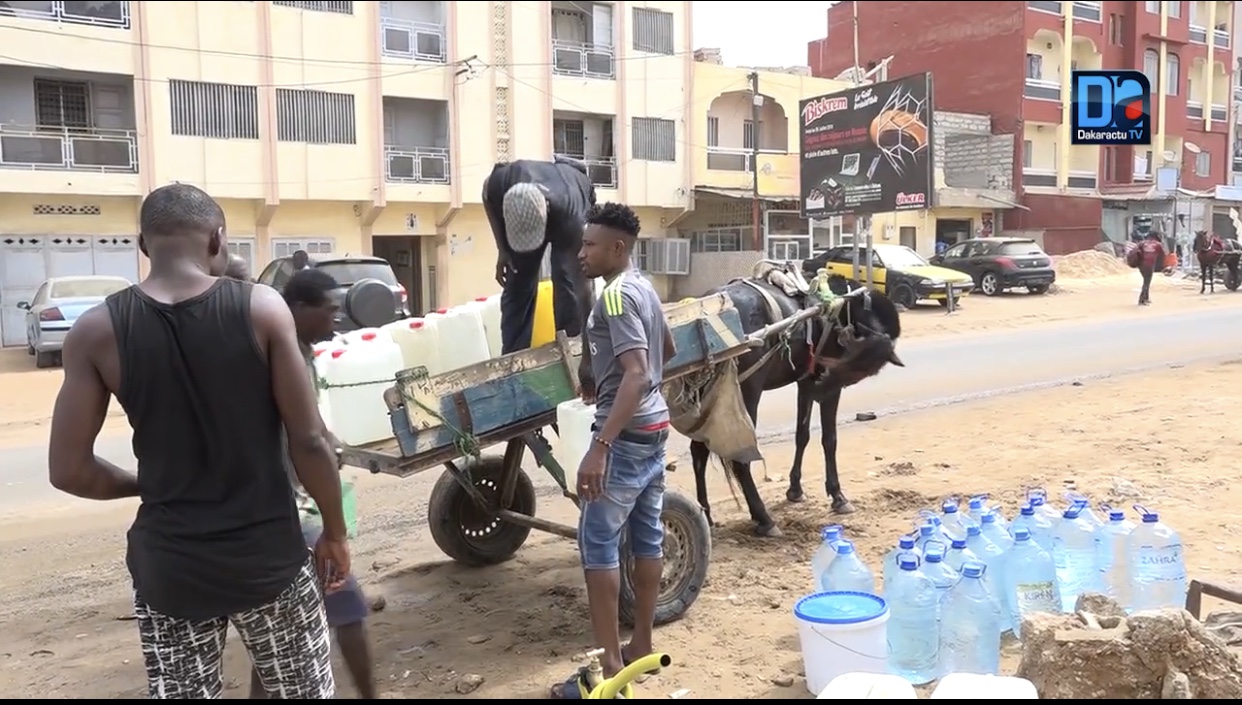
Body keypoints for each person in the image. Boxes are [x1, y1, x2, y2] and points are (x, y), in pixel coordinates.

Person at [47, 183, 349, 699]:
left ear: (143, 245)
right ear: (217, 239)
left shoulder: (96, 331)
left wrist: (147, 485)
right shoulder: (263, 310)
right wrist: (335, 533)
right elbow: (310, 440)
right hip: (269, 560)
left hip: (170, 571)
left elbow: (68, 471)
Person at [227, 267, 378, 700]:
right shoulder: (279, 353)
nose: (336, 317)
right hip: (287, 510)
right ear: (296, 309)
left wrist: (330, 439)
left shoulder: (299, 351)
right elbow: (305, 438)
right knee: (346, 605)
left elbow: (309, 424)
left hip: (278, 507)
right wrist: (334, 529)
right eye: (328, 310)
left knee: (276, 636)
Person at [552, 203, 677, 700]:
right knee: (647, 538)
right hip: (655, 426)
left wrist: (599, 446)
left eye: (590, 245)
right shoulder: (643, 286)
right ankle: (641, 644)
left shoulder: (617, 296)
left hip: (623, 437)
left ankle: (608, 667)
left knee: (598, 544)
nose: (581, 253)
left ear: (617, 248)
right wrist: (601, 375)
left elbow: (638, 372)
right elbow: (665, 350)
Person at [482, 157, 597, 378]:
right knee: (517, 281)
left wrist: (588, 360)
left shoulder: (572, 217)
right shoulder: (499, 182)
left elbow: (585, 293)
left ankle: (572, 351)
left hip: (568, 201)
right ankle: (513, 366)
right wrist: (502, 249)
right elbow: (487, 197)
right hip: (534, 204)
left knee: (568, 283)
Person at [1137, 231, 1166, 306]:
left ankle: (1146, 297)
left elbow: (1136, 252)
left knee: (1146, 280)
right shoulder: (1158, 245)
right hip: (1150, 265)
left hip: (1141, 265)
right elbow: (1163, 255)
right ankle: (1142, 299)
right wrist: (1161, 266)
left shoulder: (1142, 243)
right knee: (1146, 282)